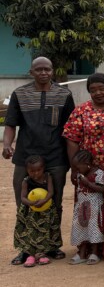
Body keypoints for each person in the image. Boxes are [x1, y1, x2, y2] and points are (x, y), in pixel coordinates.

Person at [3, 56, 74, 265]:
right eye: (39, 69)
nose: (44, 73)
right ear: (31, 72)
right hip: (25, 157)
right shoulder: (19, 94)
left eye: (47, 69)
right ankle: (26, 249)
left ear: (52, 71)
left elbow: (70, 129)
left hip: (56, 156)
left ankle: (52, 245)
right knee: (23, 203)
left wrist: (72, 158)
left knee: (55, 203)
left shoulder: (64, 94)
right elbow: (10, 124)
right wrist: (7, 144)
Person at [63, 73, 104, 261]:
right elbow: (72, 139)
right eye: (93, 90)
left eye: (102, 88)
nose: (98, 93)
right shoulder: (81, 110)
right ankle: (89, 247)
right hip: (89, 169)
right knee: (89, 207)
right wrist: (75, 168)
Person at [13, 155, 62, 268]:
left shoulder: (47, 177)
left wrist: (44, 201)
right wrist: (31, 203)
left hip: (46, 210)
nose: (36, 173)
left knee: (45, 230)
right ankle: (30, 254)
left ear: (43, 168)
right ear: (27, 170)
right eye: (32, 171)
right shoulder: (26, 181)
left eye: (38, 170)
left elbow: (50, 192)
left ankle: (43, 253)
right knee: (30, 231)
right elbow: (23, 197)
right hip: (31, 212)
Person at [68, 150, 104, 266]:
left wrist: (88, 183)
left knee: (94, 229)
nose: (76, 170)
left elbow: (102, 189)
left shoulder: (98, 173)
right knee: (80, 228)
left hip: (94, 208)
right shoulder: (80, 174)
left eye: (78, 167)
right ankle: (82, 253)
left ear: (87, 164)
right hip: (82, 207)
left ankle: (94, 253)